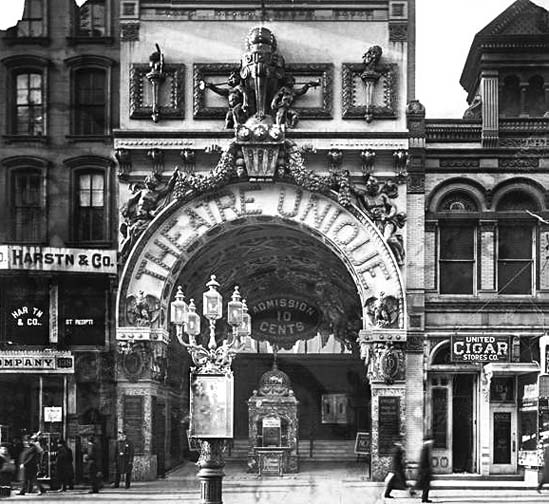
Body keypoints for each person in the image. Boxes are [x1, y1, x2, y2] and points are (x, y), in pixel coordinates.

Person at [415, 436, 434, 503]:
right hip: (425, 470)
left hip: (424, 470)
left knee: (425, 485)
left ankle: (424, 498)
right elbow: (424, 460)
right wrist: (427, 469)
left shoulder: (425, 447)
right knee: (426, 485)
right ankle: (424, 498)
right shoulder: (426, 448)